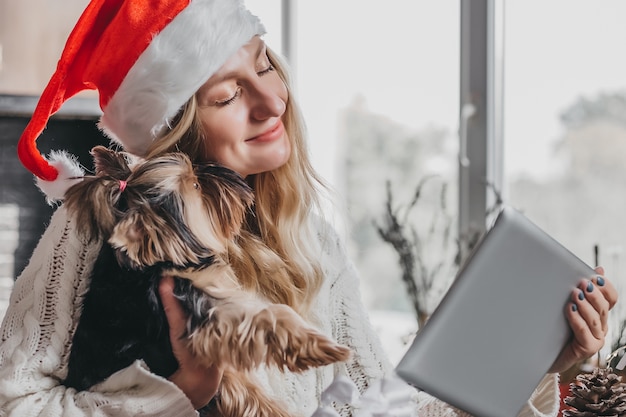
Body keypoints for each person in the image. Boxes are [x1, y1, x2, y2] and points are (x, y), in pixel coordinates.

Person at [0, 0, 618, 415]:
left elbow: (377, 405)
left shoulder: (311, 239)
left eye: (265, 64)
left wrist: (541, 365)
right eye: (228, 95)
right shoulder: (99, 222)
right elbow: (15, 401)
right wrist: (183, 393)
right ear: (178, 133)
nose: (271, 100)